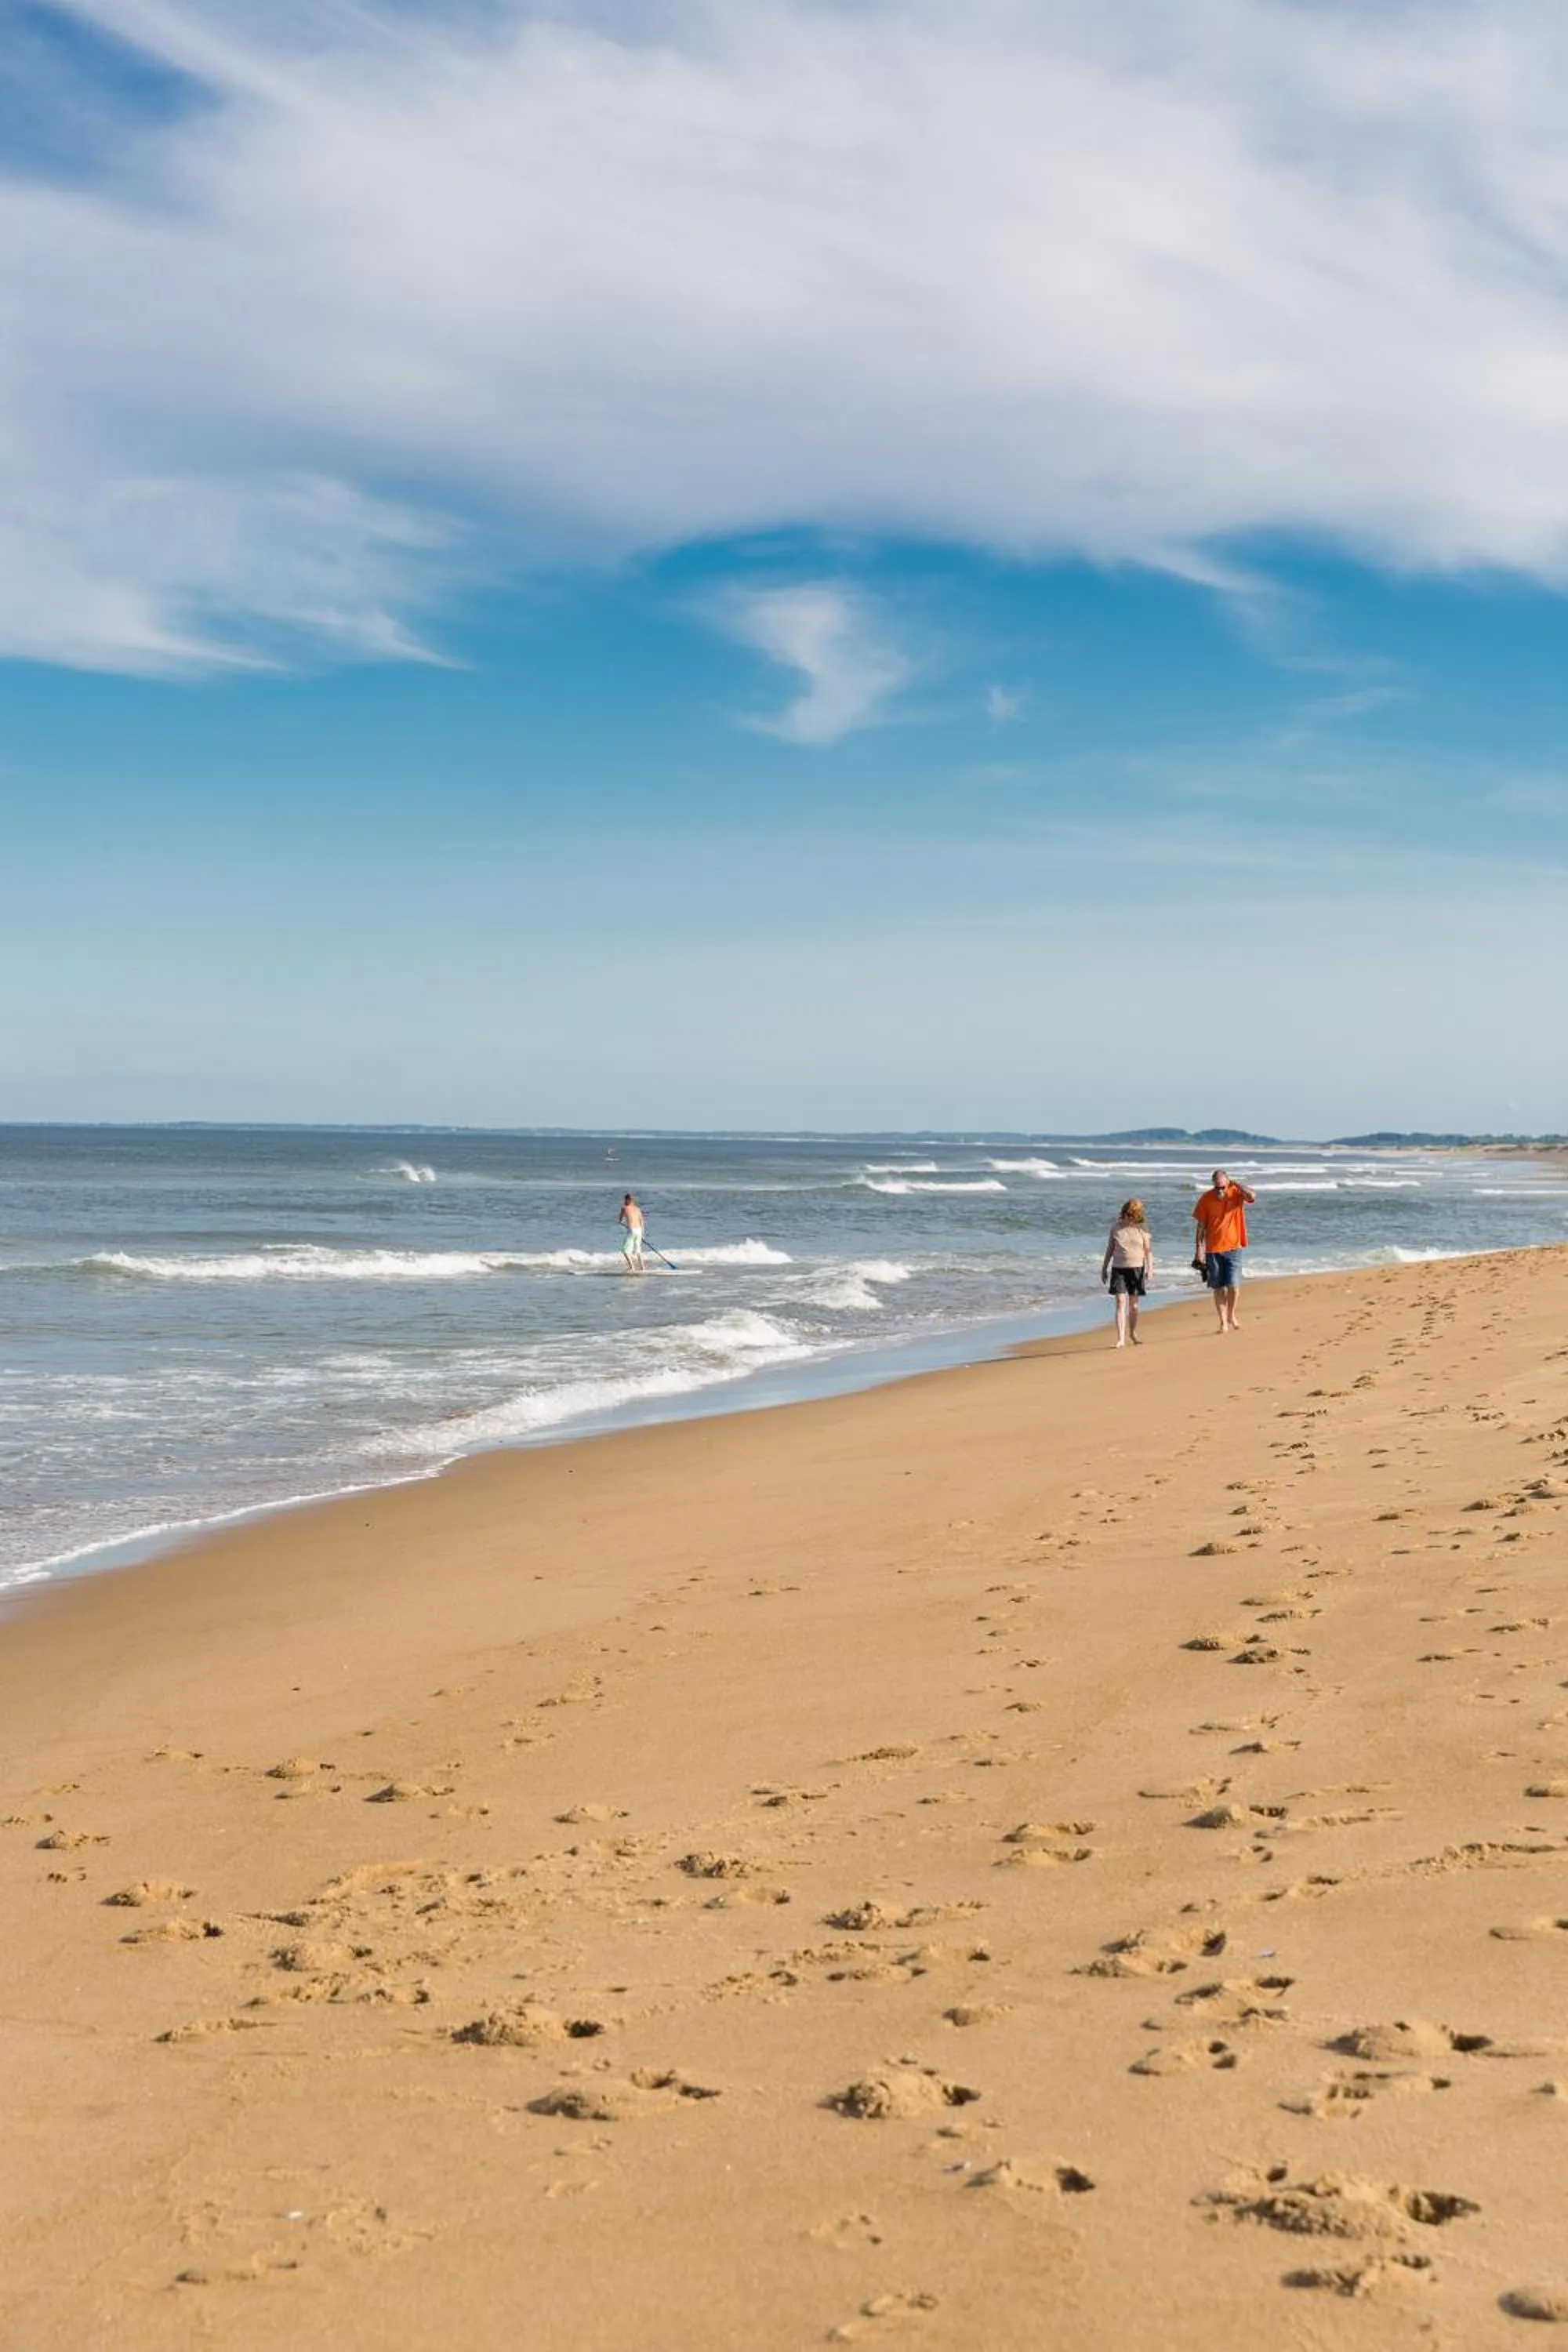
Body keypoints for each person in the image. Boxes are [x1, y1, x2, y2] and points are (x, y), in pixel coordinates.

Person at [1191, 1167, 1257, 1334]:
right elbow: (1200, 1226)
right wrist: (1199, 1248)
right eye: (1217, 1187)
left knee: (1234, 1286)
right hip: (1213, 1249)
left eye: (1223, 1187)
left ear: (1227, 1183)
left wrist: (1235, 1184)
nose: (1220, 1190)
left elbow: (1252, 1196)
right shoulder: (1206, 1198)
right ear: (1213, 1185)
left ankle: (1231, 1314)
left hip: (1234, 1247)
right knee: (1218, 1287)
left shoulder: (1236, 1193)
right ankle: (1223, 1322)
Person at [1101, 1197, 1153, 1348]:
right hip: (1119, 1269)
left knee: (1134, 1306)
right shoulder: (1116, 1228)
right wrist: (1104, 1268)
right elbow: (1110, 1249)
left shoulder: (1142, 1228)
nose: (1129, 1219)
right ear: (1123, 1213)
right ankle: (1121, 1338)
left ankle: (1133, 1333)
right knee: (1120, 1302)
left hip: (1137, 1269)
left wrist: (1150, 1268)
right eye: (1127, 1215)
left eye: (1133, 1216)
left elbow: (1148, 1250)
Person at [618, 1191, 646, 1274]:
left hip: (632, 1231)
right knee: (638, 1250)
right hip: (639, 1231)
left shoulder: (624, 1208)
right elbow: (642, 1221)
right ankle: (642, 1268)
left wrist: (621, 1222)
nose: (624, 1201)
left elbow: (620, 1220)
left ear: (627, 1200)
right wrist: (643, 1234)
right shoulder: (637, 1209)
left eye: (625, 1200)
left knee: (625, 1250)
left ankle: (632, 1268)